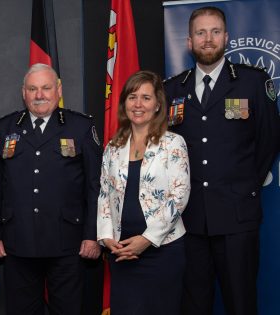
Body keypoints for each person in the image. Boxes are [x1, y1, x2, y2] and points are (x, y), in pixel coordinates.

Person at [164, 6, 280, 315]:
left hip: (236, 218)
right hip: (188, 222)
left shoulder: (252, 82)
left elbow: (268, 141)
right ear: (189, 41)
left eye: (215, 32)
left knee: (241, 303)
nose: (208, 39)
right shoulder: (172, 89)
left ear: (226, 37)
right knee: (193, 305)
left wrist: (242, 187)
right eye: (200, 33)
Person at [0, 63, 102, 314]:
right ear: (23, 92)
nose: (39, 95)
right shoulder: (5, 128)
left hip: (67, 240)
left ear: (58, 89)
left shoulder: (80, 127)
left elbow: (94, 186)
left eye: (46, 88)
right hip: (18, 240)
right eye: (33, 89)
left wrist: (92, 234)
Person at [97, 70, 190, 314]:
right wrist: (107, 238)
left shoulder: (173, 143)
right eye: (132, 97)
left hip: (163, 251)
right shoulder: (113, 147)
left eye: (146, 98)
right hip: (122, 253)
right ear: (124, 102)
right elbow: (104, 195)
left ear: (158, 105)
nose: (138, 104)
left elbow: (179, 195)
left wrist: (146, 240)